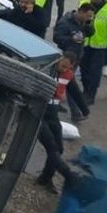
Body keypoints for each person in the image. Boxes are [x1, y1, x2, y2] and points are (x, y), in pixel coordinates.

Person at [35, 51, 82, 190]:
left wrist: (84, 110)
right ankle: (67, 174)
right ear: (59, 60)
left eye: (66, 67)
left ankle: (45, 178)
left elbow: (75, 91)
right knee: (51, 146)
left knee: (58, 148)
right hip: (38, 112)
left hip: (53, 114)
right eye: (62, 65)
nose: (62, 69)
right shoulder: (47, 69)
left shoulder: (67, 75)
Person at [53, 2, 96, 121]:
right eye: (88, 16)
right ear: (81, 12)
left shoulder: (83, 22)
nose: (90, 18)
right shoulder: (65, 23)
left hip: (77, 56)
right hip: (67, 59)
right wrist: (71, 39)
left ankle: (62, 105)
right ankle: (76, 112)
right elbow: (57, 38)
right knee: (70, 85)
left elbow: (91, 33)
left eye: (91, 16)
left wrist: (88, 24)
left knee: (67, 83)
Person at [79, 0, 107, 105]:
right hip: (85, 43)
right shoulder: (84, 3)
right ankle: (86, 90)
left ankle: (91, 94)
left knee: (95, 72)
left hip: (100, 46)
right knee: (84, 69)